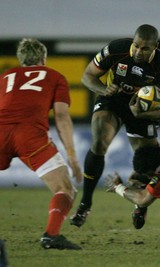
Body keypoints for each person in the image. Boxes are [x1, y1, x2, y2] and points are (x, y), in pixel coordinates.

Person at [70, 24, 160, 229]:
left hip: (141, 108)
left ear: (155, 47)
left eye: (145, 48)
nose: (139, 52)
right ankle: (85, 203)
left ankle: (140, 205)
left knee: (147, 163)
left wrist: (144, 114)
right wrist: (104, 89)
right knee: (99, 140)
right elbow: (87, 76)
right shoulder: (116, 49)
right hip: (112, 100)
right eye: (136, 46)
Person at [0, 38, 83, 250]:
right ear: (43, 58)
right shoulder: (55, 76)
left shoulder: (5, 77)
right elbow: (62, 117)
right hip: (30, 136)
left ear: (20, 59)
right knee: (64, 188)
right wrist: (72, 158)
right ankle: (51, 235)